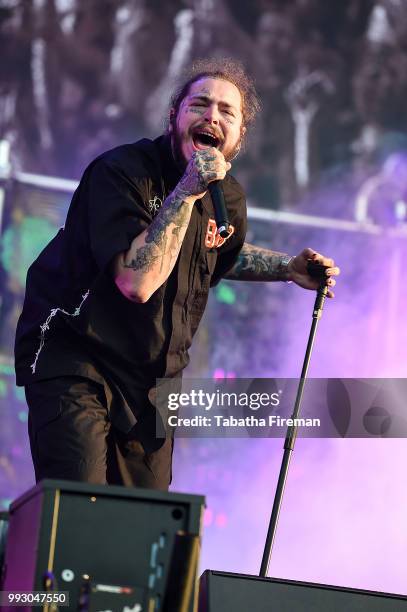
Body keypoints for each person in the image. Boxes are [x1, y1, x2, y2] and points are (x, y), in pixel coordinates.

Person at [14, 58, 339, 490]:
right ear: (174, 117)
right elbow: (137, 282)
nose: (212, 117)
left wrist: (286, 268)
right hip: (79, 358)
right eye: (199, 105)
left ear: (239, 138)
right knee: (78, 513)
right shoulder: (122, 172)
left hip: (152, 384)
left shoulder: (229, 201)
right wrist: (187, 190)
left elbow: (216, 253)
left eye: (228, 112)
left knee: (142, 528)